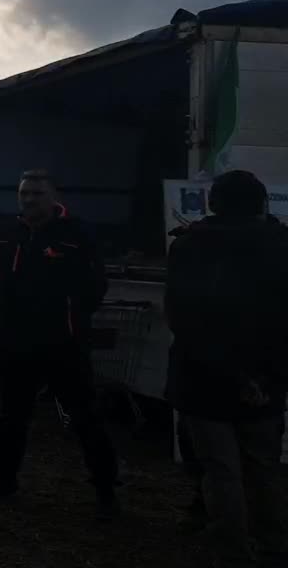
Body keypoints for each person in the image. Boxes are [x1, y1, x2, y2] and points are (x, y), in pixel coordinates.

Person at [166, 170, 288, 567]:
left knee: (221, 471)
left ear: (213, 203)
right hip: (266, 377)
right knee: (262, 466)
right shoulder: (280, 245)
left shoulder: (190, 247)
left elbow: (182, 318)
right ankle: (272, 543)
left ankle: (233, 550)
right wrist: (264, 376)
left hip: (204, 376)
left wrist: (232, 373)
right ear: (260, 204)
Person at [0, 170, 119, 520]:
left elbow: (95, 286)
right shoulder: (5, 233)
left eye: (37, 193)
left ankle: (106, 488)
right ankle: (6, 479)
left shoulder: (77, 233)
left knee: (85, 416)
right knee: (12, 415)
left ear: (53, 196)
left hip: (63, 343)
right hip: (15, 343)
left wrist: (68, 315)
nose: (29, 199)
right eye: (24, 193)